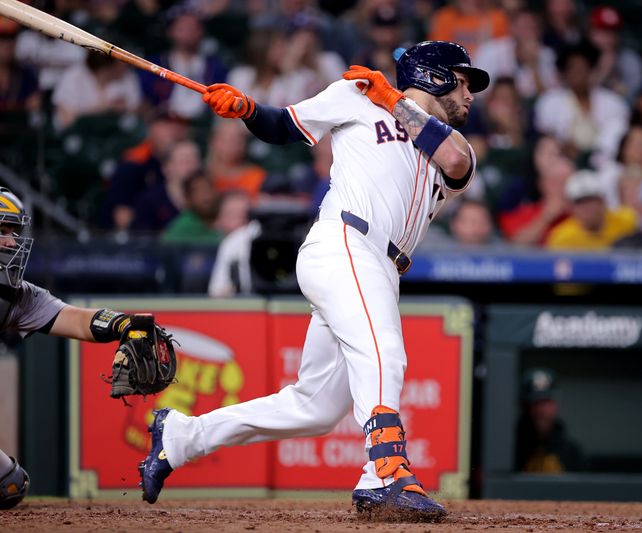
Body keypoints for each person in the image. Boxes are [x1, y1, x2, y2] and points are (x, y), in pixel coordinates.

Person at [137, 40, 489, 521]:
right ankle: (385, 472)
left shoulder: (452, 141)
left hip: (381, 268)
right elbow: (282, 125)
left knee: (316, 407)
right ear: (435, 75)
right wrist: (244, 109)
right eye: (464, 81)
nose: (470, 93)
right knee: (385, 351)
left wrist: (394, 101)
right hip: (344, 242)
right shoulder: (358, 95)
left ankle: (181, 437)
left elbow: (453, 163)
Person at [0, 187, 164, 510]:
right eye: (1, 231)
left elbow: (73, 319)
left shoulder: (16, 296)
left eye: (13, 232)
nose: (11, 242)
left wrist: (124, 325)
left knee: (10, 484)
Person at [534, 40, 629, 162]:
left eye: (583, 68)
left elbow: (617, 138)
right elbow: (545, 137)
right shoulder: (550, 101)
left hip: (604, 162)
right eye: (573, 68)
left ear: (592, 71)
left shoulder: (613, 103)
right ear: (565, 73)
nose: (578, 73)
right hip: (563, 161)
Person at [545, 170, 637, 250]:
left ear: (602, 201)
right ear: (571, 207)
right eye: (580, 202)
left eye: (592, 200)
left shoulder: (626, 222)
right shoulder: (562, 238)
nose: (587, 207)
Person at [515, 368, 584, 473]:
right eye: (535, 403)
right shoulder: (510, 450)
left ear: (555, 405)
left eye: (546, 402)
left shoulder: (572, 453)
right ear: (524, 407)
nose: (541, 410)